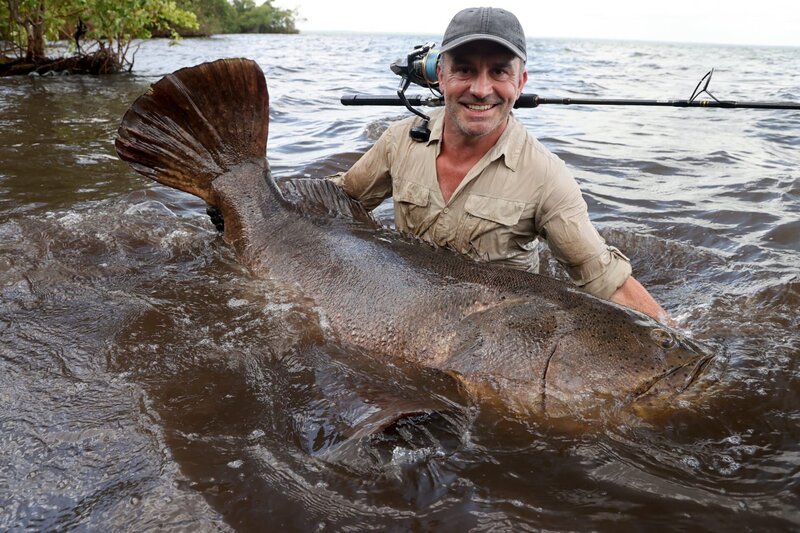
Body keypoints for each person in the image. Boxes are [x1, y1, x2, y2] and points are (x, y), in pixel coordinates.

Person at [330, 7, 672, 323]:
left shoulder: (546, 176)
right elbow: (334, 205)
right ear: (441, 76)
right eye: (464, 69)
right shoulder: (399, 141)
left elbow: (604, 279)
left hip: (499, 332)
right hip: (411, 309)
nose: (480, 89)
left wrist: (673, 339)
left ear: (520, 83)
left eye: (499, 72)